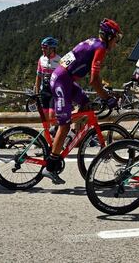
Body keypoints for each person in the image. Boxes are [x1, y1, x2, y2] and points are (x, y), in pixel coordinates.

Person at [43, 19, 121, 184]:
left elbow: (96, 78)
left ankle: (65, 133)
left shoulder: (93, 41)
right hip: (61, 81)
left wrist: (104, 89)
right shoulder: (100, 48)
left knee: (86, 105)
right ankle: (50, 166)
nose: (116, 42)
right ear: (108, 37)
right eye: (116, 38)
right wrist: (107, 98)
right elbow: (93, 80)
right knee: (64, 124)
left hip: (67, 80)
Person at [34, 36, 61, 121]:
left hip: (55, 92)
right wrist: (36, 92)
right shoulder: (41, 59)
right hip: (44, 92)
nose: (42, 50)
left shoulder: (60, 60)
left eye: (45, 48)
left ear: (52, 48)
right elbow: (38, 77)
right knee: (45, 118)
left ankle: (55, 133)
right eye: (42, 47)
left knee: (52, 116)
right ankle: (48, 134)